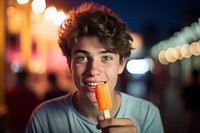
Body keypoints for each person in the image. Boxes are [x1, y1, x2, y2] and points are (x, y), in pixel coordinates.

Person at [26, 2, 164, 133]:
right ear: (69, 63)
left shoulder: (147, 115)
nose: (93, 70)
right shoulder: (43, 118)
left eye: (106, 58)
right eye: (82, 58)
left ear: (121, 64)